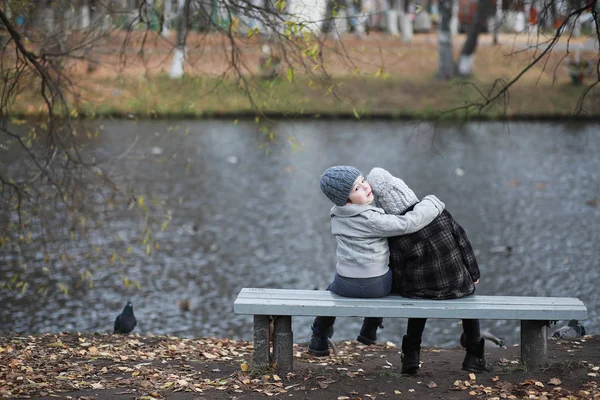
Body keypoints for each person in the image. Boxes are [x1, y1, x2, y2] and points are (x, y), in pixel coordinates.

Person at [308, 165, 445, 356]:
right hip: (377, 286)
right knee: (393, 276)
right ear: (347, 202)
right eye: (356, 188)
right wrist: (432, 204)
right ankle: (369, 330)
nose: (365, 186)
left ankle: (318, 337)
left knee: (331, 292)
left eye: (363, 180)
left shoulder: (336, 216)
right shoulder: (371, 219)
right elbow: (407, 224)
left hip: (345, 284)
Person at [366, 167, 490, 374]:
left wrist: (399, 289)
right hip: (458, 284)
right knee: (469, 301)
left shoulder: (396, 233)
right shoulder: (438, 213)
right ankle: (474, 356)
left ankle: (412, 357)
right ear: (405, 190)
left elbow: (396, 269)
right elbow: (463, 241)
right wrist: (474, 274)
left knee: (418, 304)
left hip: (420, 290)